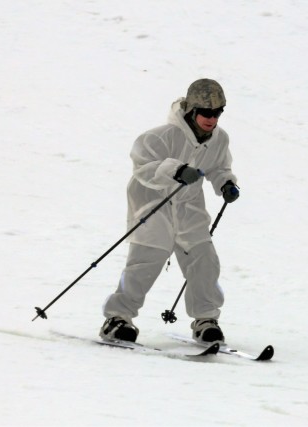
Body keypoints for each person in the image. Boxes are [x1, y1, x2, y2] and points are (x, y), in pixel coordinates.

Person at [100, 78, 240, 344]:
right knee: (146, 261)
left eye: (218, 112)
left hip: (189, 207)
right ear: (191, 111)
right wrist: (175, 170)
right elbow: (143, 167)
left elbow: (219, 167)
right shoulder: (159, 136)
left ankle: (205, 319)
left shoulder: (219, 139)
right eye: (206, 113)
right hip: (154, 203)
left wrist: (226, 184)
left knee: (204, 260)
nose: (212, 119)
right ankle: (117, 319)